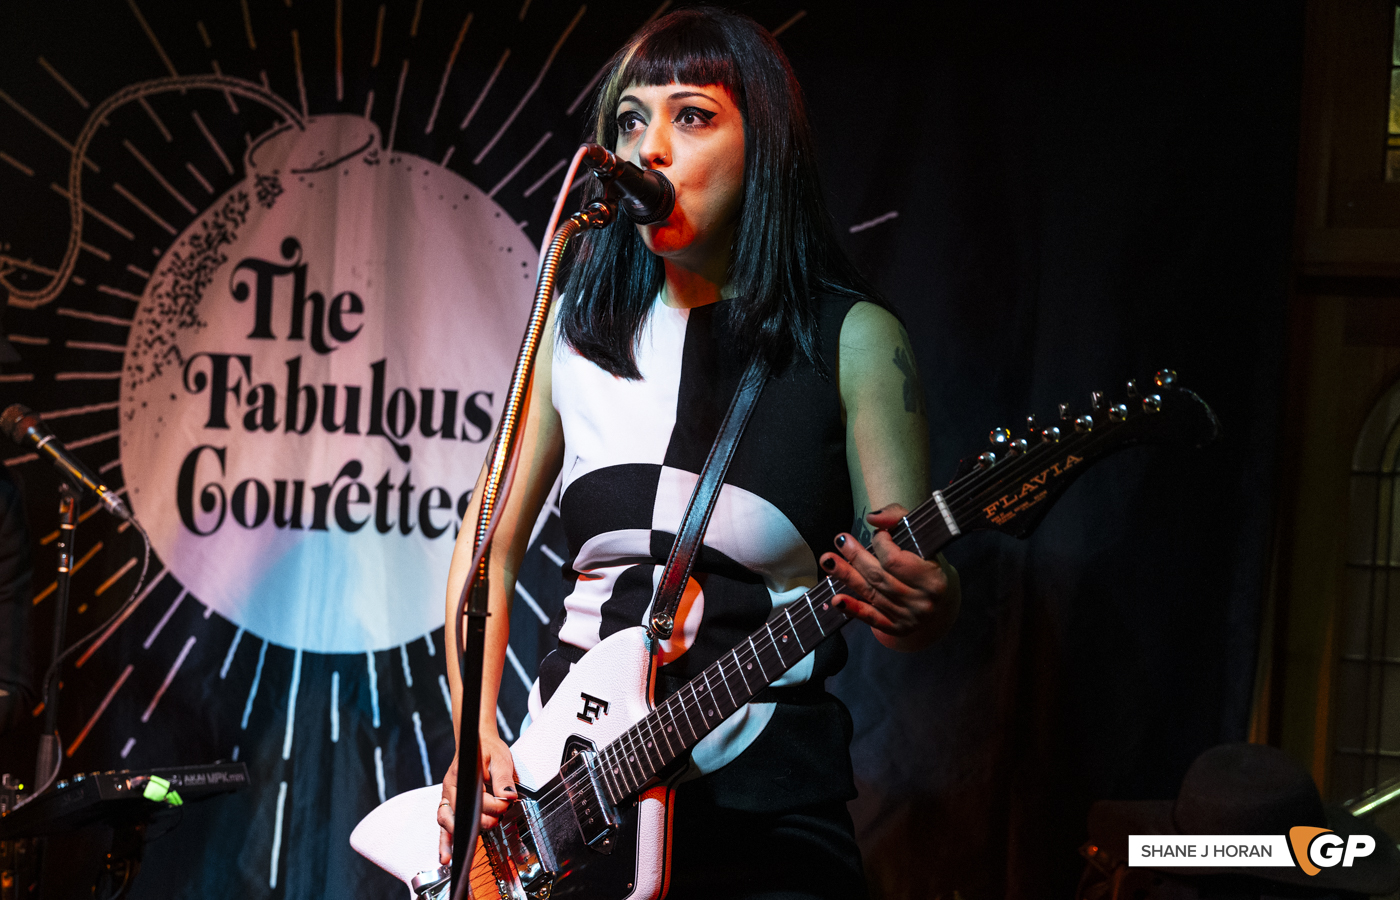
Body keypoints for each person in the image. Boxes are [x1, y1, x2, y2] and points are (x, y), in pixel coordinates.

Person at [438, 8, 961, 896]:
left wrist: (926, 605)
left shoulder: (854, 341)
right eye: (631, 120)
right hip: (568, 804)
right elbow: (482, 547)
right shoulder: (574, 334)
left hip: (764, 812)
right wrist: (472, 734)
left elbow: (904, 578)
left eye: (691, 116)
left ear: (766, 146)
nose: (650, 149)